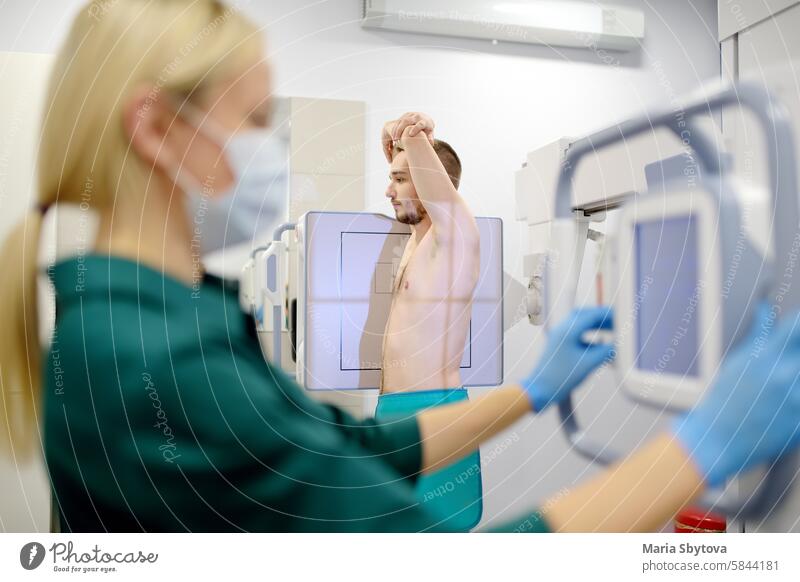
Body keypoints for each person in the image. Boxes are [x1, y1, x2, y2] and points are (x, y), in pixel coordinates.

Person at [0, 0, 799, 533]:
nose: (270, 148)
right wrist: (697, 447)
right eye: (253, 120)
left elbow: (336, 450)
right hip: (402, 400)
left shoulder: (166, 324)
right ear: (157, 130)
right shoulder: (159, 360)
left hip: (429, 397)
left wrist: (526, 391)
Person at [376, 113, 484, 528]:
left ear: (433, 181)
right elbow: (409, 183)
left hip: (433, 414)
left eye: (401, 179)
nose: (388, 190)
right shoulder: (417, 240)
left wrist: (413, 136)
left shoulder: (454, 239)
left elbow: (433, 187)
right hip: (392, 410)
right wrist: (393, 144)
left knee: (438, 535)